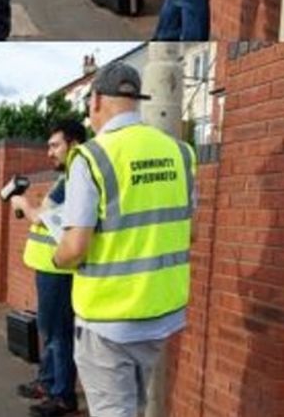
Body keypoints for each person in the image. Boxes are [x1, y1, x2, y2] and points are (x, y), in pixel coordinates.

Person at [52, 62, 197, 417]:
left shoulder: (91, 157)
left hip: (108, 319)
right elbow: (188, 230)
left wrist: (57, 257)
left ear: (97, 99)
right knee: (135, 404)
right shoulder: (181, 153)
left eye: (88, 104)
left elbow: (75, 248)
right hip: (161, 313)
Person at [10, 119, 86, 417]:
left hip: (60, 271)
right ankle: (48, 382)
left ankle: (63, 396)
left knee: (58, 333)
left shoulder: (76, 178)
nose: (49, 153)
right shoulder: (68, 177)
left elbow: (46, 218)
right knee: (50, 330)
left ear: (74, 145)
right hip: (50, 268)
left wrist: (24, 204)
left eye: (55, 145)